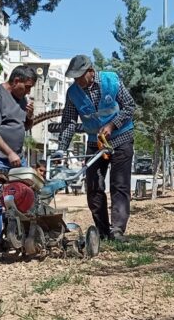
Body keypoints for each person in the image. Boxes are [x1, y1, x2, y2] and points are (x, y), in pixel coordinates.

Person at [56, 55, 136, 242]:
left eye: (79, 76)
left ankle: (117, 230)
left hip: (121, 137)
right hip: (95, 142)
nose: (76, 81)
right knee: (93, 187)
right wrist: (61, 148)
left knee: (119, 185)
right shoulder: (73, 93)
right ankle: (102, 231)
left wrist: (112, 125)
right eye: (74, 78)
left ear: (90, 71)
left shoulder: (111, 80)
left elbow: (130, 106)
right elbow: (68, 121)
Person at [0, 65, 37, 250]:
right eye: (27, 87)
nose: (28, 91)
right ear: (16, 81)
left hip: (17, 157)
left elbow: (23, 126)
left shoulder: (21, 99)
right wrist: (9, 152)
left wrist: (29, 116)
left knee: (28, 192)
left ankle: (24, 237)